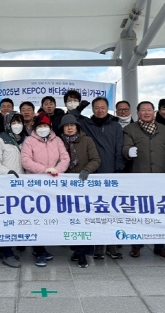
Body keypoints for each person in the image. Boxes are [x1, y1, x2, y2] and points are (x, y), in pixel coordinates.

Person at [71, 96, 124, 259]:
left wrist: (119, 167)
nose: (100, 110)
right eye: (96, 107)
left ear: (108, 108)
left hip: (110, 172)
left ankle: (112, 244)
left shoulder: (115, 125)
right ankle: (99, 245)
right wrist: (79, 109)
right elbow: (70, 119)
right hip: (91, 173)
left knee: (111, 210)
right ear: (92, 109)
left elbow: (119, 146)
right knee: (95, 210)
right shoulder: (86, 123)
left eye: (103, 107)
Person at [123, 101, 165, 259]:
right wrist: (128, 151)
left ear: (154, 112)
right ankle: (136, 245)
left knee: (160, 212)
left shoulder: (163, 129)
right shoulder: (129, 129)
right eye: (143, 110)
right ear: (137, 113)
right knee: (139, 212)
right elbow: (125, 147)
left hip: (160, 176)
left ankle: (160, 246)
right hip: (139, 177)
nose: (146, 113)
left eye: (149, 110)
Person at [21, 112, 70, 267]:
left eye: (45, 126)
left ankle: (45, 246)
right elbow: (25, 161)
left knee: (51, 216)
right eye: (40, 126)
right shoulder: (29, 140)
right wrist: (44, 170)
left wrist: (57, 170)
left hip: (54, 183)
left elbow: (65, 158)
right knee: (37, 218)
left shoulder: (57, 140)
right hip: (35, 185)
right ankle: (39, 250)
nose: (43, 128)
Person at [59, 114, 100, 268]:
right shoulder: (58, 142)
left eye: (72, 125)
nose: (69, 128)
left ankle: (83, 254)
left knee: (83, 219)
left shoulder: (86, 140)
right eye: (66, 126)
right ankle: (76, 250)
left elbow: (96, 159)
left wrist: (87, 170)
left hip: (84, 185)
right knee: (70, 220)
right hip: (65, 186)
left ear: (77, 127)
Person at [0, 112, 26, 268]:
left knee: (16, 219)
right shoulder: (0, 139)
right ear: (7, 124)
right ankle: (7, 253)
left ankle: (5, 250)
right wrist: (8, 173)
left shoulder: (26, 139)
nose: (17, 125)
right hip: (4, 185)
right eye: (14, 122)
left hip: (22, 186)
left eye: (19, 122)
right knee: (6, 220)